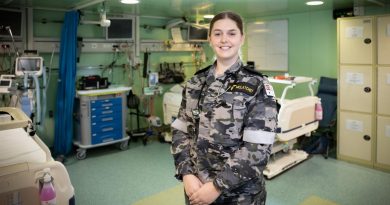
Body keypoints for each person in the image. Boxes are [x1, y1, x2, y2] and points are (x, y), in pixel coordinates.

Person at [171, 11, 278, 205]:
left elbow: (258, 148)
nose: (224, 40)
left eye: (231, 33)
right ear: (210, 39)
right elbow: (180, 130)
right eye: (218, 33)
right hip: (195, 190)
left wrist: (217, 186)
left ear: (242, 38)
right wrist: (186, 172)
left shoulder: (257, 85)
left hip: (240, 196)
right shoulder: (195, 82)